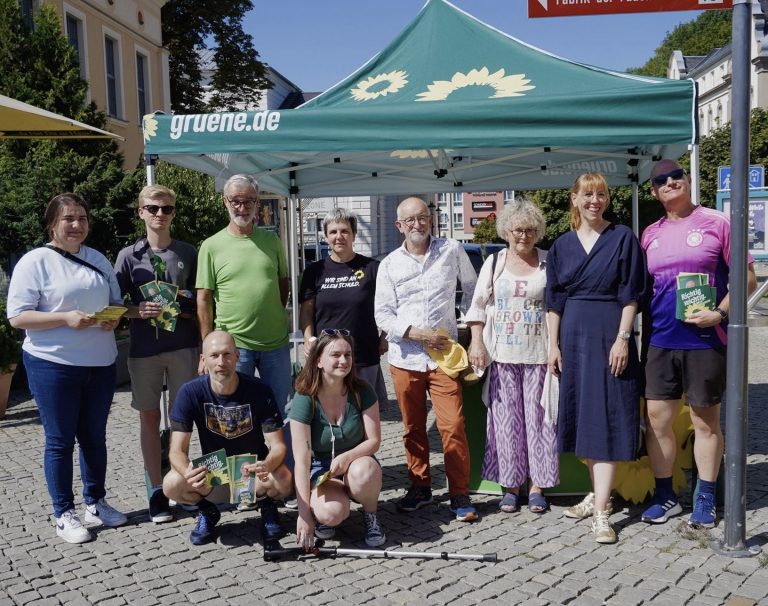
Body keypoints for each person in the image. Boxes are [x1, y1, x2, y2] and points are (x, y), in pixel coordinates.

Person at [640, 160, 757, 528]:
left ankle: (705, 495)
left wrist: (720, 314)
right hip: (660, 340)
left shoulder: (717, 222)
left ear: (688, 181)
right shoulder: (649, 233)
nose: (670, 182)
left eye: (677, 176)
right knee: (657, 421)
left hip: (706, 339)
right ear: (654, 192)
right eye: (662, 180)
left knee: (705, 421)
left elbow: (748, 278)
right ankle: (665, 496)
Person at [6, 193, 127, 544]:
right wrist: (65, 318)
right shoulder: (36, 261)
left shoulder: (97, 259)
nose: (76, 225)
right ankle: (63, 512)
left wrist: (111, 320)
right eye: (68, 219)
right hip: (53, 364)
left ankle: (95, 501)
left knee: (94, 438)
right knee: (60, 442)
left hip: (101, 363)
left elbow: (115, 303)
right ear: (52, 223)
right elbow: (17, 317)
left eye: (82, 218)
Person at [545, 173, 649, 544]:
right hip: (573, 337)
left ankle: (603, 513)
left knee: (607, 416)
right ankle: (596, 494)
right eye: (587, 194)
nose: (595, 200)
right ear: (574, 199)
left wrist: (623, 338)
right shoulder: (561, 245)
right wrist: (552, 345)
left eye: (601, 194)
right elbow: (553, 300)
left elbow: (632, 293)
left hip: (610, 333)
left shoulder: (623, 238)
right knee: (583, 417)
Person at [375, 196, 480, 522]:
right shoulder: (390, 264)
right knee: (412, 428)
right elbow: (382, 314)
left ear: (431, 219)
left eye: (422, 218)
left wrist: (468, 331)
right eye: (410, 220)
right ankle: (419, 487)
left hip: (444, 358)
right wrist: (415, 333)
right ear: (399, 226)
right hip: (406, 357)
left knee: (453, 426)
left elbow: (473, 290)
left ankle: (459, 493)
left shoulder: (451, 250)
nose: (417, 224)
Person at [196, 173, 293, 514]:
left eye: (249, 200)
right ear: (225, 202)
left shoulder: (271, 241)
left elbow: (282, 286)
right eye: (236, 200)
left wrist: (268, 314)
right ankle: (240, 489)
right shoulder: (211, 245)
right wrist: (207, 346)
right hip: (232, 349)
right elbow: (204, 299)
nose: (243, 206)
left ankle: (282, 482)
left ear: (257, 203)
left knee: (279, 414)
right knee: (234, 420)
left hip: (275, 344)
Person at [466, 199, 558, 514]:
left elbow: (557, 307)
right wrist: (476, 342)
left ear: (538, 232)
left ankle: (537, 487)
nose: (523, 236)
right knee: (505, 425)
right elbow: (477, 307)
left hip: (539, 356)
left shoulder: (550, 262)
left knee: (540, 423)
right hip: (502, 357)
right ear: (506, 230)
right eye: (518, 229)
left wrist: (556, 348)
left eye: (530, 230)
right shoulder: (494, 263)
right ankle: (510, 486)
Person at [114, 184, 199, 524]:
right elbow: (113, 305)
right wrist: (137, 311)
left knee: (181, 421)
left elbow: (204, 299)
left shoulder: (189, 252)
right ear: (141, 213)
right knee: (149, 419)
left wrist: (186, 301)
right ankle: (155, 490)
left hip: (183, 347)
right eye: (152, 208)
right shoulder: (127, 257)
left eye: (166, 209)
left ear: (174, 213)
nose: (159, 215)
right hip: (144, 350)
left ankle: (183, 485)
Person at [163, 331, 292, 545]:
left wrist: (266, 465)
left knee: (284, 477)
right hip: (215, 476)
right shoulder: (190, 392)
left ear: (237, 356)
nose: (221, 362)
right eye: (214, 356)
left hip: (252, 475)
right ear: (203, 360)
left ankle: (268, 506)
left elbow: (278, 445)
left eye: (227, 354)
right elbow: (176, 450)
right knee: (172, 483)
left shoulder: (259, 390)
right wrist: (189, 473)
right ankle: (207, 511)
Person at [290, 330, 386, 548]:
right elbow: (302, 460)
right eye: (335, 355)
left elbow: (374, 441)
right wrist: (304, 514)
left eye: (348, 354)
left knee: (366, 472)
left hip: (357, 462)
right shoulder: (305, 397)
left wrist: (347, 458)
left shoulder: (363, 390)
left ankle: (371, 515)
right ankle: (328, 505)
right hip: (323, 469)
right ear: (319, 360)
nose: (343, 361)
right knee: (331, 514)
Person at [299, 208, 388, 408]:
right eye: (333, 232)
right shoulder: (314, 271)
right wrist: (308, 339)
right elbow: (306, 310)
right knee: (328, 412)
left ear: (354, 235)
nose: (339, 236)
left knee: (365, 413)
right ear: (326, 236)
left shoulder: (372, 268)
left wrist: (385, 337)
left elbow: (391, 305)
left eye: (344, 231)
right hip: (326, 356)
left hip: (363, 354)